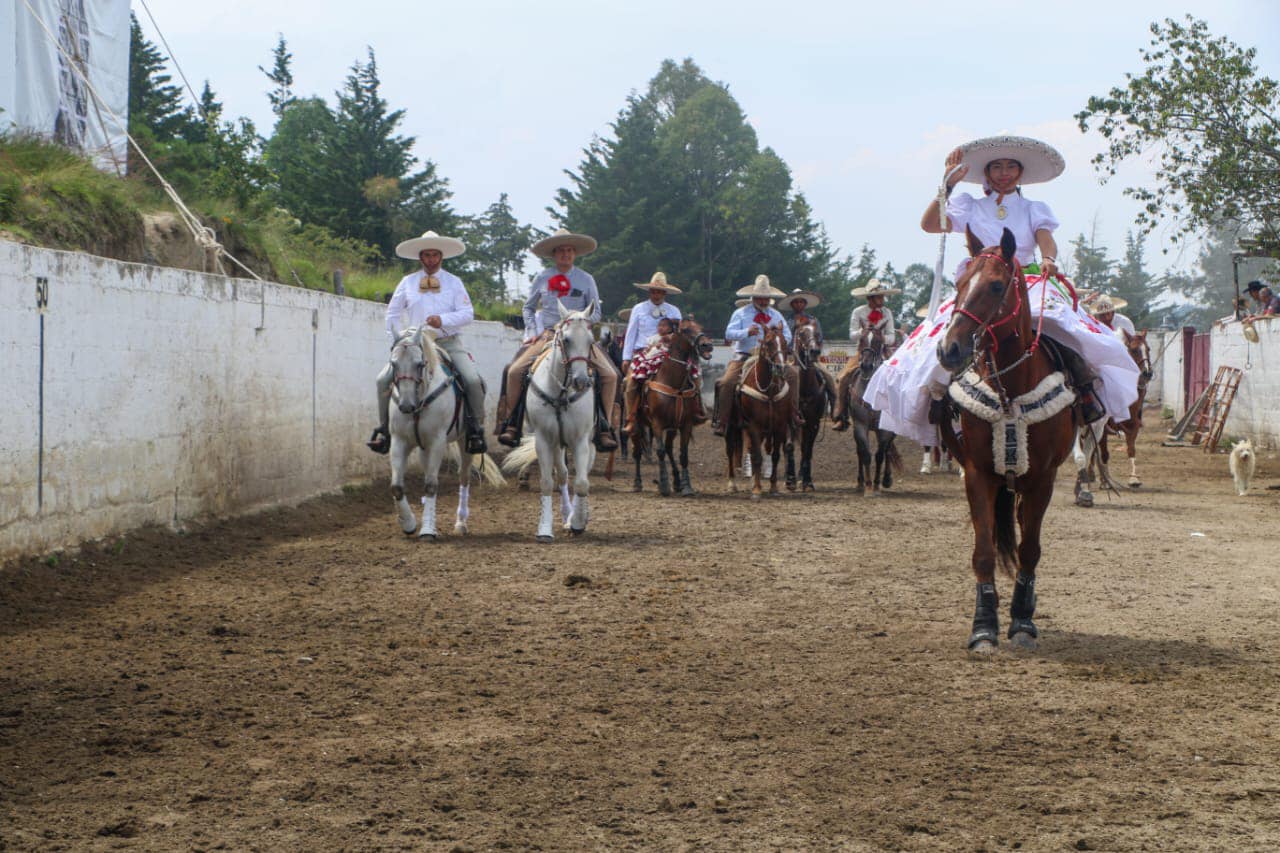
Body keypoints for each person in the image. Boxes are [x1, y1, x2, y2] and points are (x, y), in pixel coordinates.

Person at [863, 136, 1140, 446]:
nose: (1004, 173)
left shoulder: (1034, 208)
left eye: (1011, 166)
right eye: (997, 167)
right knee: (942, 336)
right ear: (987, 172)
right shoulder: (969, 205)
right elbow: (929, 225)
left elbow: (1045, 238)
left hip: (1026, 280)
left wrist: (1048, 258)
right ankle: (935, 400)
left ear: (1020, 172)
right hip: (980, 284)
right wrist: (947, 187)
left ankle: (1085, 391)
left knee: (1064, 327)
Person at [495, 229, 619, 450]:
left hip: (578, 335)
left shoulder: (586, 278)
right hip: (550, 334)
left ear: (575, 254)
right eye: (561, 250)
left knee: (610, 374)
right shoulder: (542, 277)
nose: (566, 254)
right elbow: (528, 307)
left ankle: (604, 426)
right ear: (554, 254)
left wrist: (582, 322)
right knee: (515, 371)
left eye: (569, 250)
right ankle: (512, 422)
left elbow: (597, 311)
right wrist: (533, 331)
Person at [367, 230, 488, 455]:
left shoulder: (454, 282)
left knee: (472, 380)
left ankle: (475, 429)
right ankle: (385, 429)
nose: (431, 259)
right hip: (416, 345)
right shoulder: (407, 282)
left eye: (435, 255)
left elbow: (467, 313)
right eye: (427, 255)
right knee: (382, 379)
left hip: (447, 341)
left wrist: (442, 319)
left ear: (441, 257)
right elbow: (392, 314)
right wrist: (398, 341)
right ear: (420, 257)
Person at [620, 272, 707, 434]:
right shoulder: (638, 309)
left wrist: (673, 339)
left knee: (694, 375)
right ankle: (631, 418)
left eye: (659, 291)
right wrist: (626, 357)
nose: (656, 294)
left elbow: (682, 334)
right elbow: (631, 333)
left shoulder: (674, 311)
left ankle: (696, 410)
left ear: (665, 293)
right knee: (631, 381)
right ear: (649, 292)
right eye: (653, 291)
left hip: (670, 352)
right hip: (644, 352)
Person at [712, 275, 800, 436]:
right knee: (726, 382)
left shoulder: (776, 315)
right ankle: (722, 421)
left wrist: (776, 338)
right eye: (760, 298)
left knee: (793, 374)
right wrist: (746, 332)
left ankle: (793, 413)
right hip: (745, 355)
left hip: (771, 356)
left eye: (766, 298)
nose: (763, 301)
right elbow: (729, 333)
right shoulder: (740, 313)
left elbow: (787, 336)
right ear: (753, 297)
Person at [832, 278, 900, 430]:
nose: (882, 299)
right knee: (843, 377)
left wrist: (882, 338)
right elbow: (851, 335)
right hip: (862, 351)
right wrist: (861, 332)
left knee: (898, 376)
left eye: (883, 296)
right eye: (879, 297)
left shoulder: (887, 313)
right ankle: (841, 414)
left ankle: (899, 413)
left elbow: (892, 337)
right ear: (870, 298)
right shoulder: (858, 312)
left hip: (882, 351)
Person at [780, 288, 838, 406]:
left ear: (805, 304)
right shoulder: (786, 321)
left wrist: (816, 351)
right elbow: (784, 339)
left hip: (811, 357)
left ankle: (835, 407)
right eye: (796, 302)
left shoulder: (813, 320)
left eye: (801, 302)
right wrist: (795, 327)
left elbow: (819, 338)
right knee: (781, 377)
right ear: (792, 305)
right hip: (792, 357)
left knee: (828, 377)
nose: (799, 304)